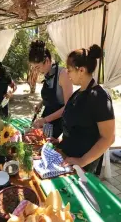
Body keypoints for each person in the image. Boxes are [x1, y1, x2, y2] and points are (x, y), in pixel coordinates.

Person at [51, 44, 115, 173]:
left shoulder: (99, 97)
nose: (67, 73)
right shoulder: (78, 93)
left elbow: (108, 138)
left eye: (69, 70)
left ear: (81, 70)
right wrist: (59, 140)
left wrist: (82, 161)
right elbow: (75, 127)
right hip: (68, 158)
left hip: (81, 165)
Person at [29, 41, 73, 138]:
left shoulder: (63, 74)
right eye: (34, 68)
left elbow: (68, 107)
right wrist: (41, 103)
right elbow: (54, 95)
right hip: (48, 118)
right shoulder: (48, 73)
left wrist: (44, 120)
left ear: (47, 61)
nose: (36, 71)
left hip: (59, 121)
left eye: (37, 67)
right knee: (39, 141)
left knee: (50, 146)